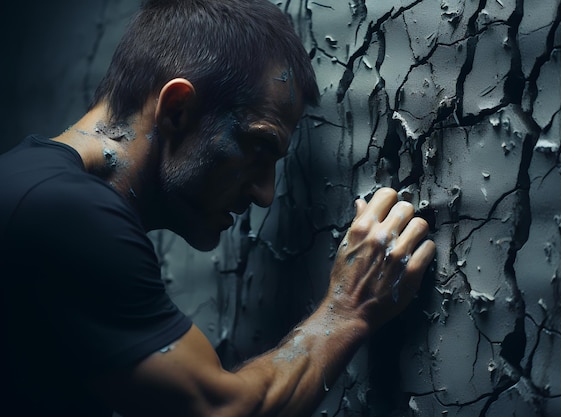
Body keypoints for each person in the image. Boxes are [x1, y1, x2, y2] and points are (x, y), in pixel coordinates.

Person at [0, 0, 436, 416]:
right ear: (177, 110)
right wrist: (348, 309)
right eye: (259, 147)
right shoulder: (68, 214)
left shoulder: (31, 182)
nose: (265, 194)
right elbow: (220, 410)